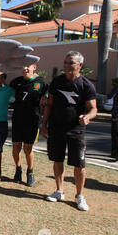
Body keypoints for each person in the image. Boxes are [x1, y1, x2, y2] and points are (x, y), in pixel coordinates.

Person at [41, 51, 97, 211]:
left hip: (76, 131)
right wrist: (44, 125)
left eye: (70, 63)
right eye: (65, 62)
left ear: (80, 65)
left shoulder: (86, 85)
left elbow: (93, 108)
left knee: (79, 165)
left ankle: (79, 196)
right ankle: (59, 191)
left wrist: (87, 117)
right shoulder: (57, 82)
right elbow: (49, 105)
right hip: (56, 129)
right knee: (57, 160)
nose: (66, 65)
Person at [9, 64, 48, 186]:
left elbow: (48, 95)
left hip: (32, 120)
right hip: (17, 119)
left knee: (27, 149)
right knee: (16, 148)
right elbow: (7, 94)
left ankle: (30, 172)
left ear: (35, 67)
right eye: (23, 66)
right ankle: (18, 169)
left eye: (28, 66)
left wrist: (45, 98)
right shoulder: (16, 82)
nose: (25, 68)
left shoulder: (41, 83)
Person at [107, 82, 118, 160]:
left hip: (117, 113)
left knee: (116, 134)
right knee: (116, 133)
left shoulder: (117, 88)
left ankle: (116, 153)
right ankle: (116, 153)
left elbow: (109, 97)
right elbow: (109, 97)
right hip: (117, 114)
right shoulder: (117, 88)